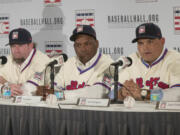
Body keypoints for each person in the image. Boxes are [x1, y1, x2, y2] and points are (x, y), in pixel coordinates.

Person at [118, 23, 180, 100]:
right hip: (137, 112)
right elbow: (111, 92)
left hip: (165, 112)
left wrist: (145, 94)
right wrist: (122, 92)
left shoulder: (175, 60)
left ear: (162, 41)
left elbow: (178, 94)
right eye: (141, 43)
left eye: (150, 42)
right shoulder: (131, 60)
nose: (145, 48)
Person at [54, 25, 114, 100]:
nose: (82, 49)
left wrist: (63, 95)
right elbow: (54, 89)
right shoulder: (68, 63)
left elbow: (98, 92)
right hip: (67, 111)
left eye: (87, 44)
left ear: (97, 43)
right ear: (74, 47)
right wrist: (53, 93)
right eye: (78, 45)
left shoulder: (107, 64)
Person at [0, 28, 51, 96]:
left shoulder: (42, 61)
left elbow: (28, 90)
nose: (16, 50)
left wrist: (6, 87)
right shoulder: (7, 60)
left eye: (20, 45)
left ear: (30, 46)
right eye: (13, 46)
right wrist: (4, 87)